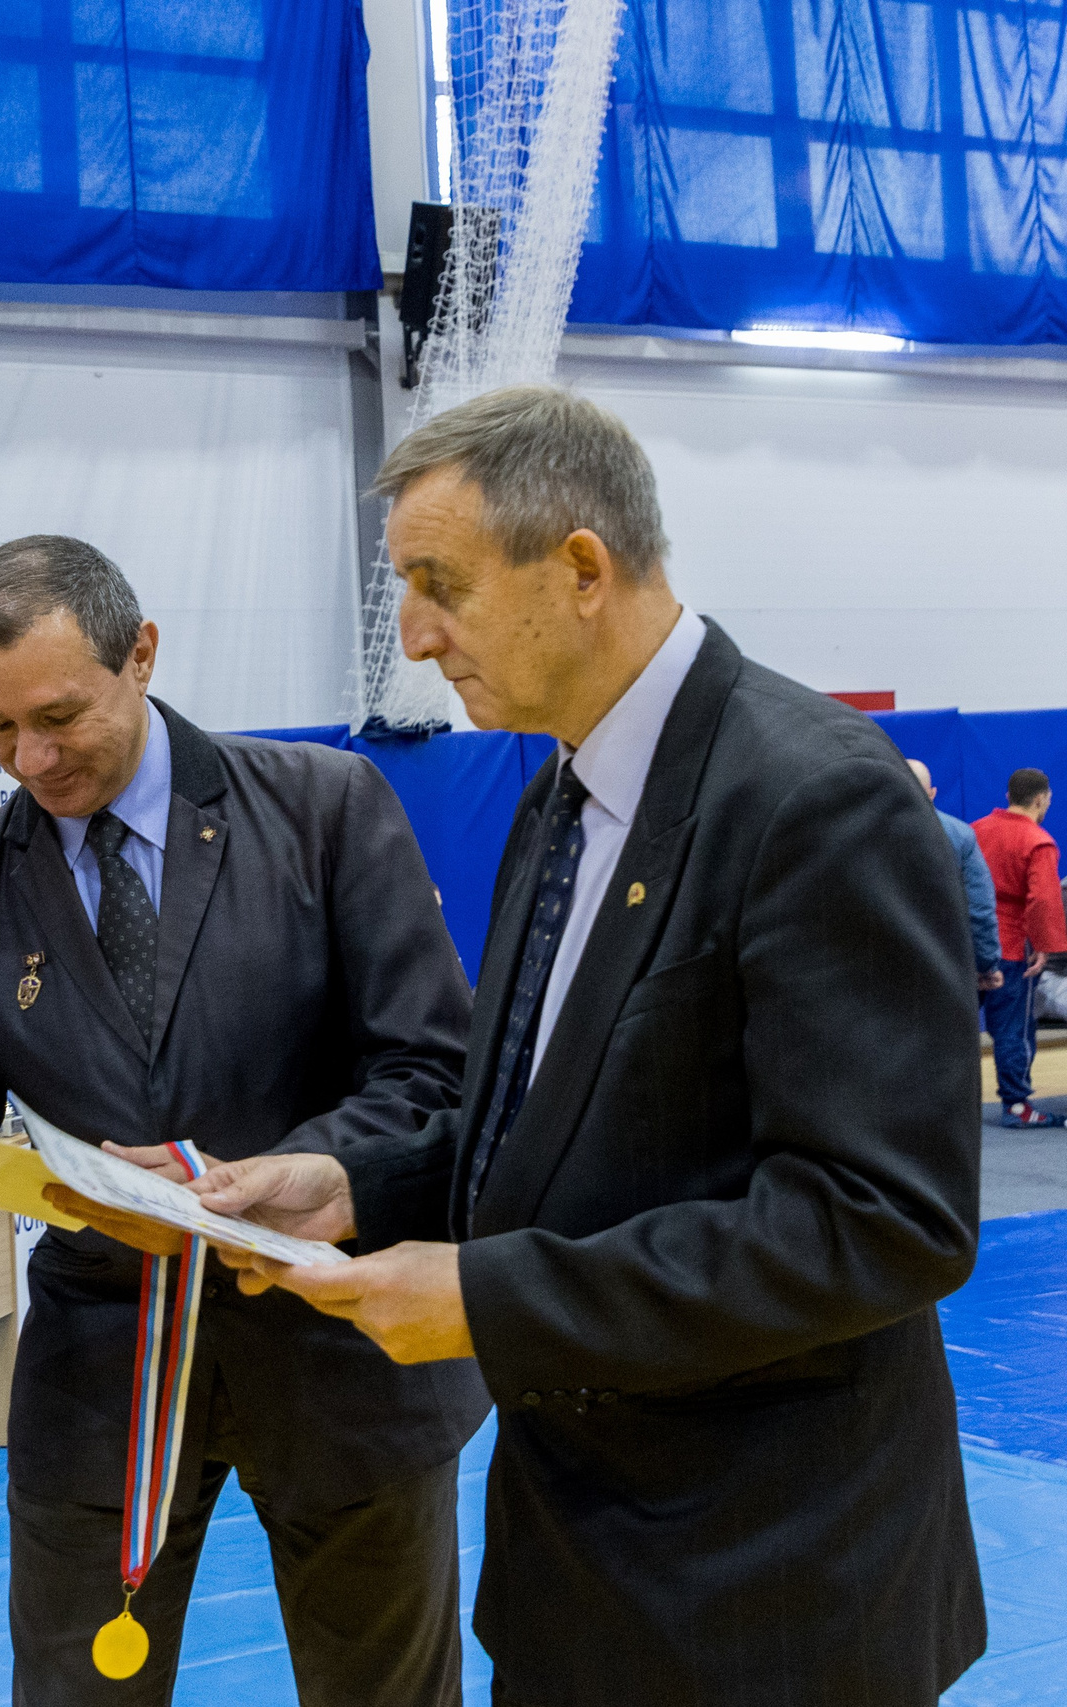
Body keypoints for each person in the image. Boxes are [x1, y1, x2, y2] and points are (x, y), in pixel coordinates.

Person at [165, 388, 983, 1707]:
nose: (417, 635)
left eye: (441, 585)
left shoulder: (812, 793)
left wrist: (496, 1298)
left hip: (768, 1591)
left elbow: (883, 1219)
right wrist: (359, 1184)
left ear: (583, 568)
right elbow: (553, 1125)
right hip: (583, 1566)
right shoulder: (558, 789)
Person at [0, 537, 485, 1707]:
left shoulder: (322, 810)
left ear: (141, 654)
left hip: (337, 1351)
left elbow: (430, 1074)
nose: (31, 759)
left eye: (58, 716)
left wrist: (300, 1170)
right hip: (101, 1375)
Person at [974, 768, 1064, 1128]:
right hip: (1012, 950)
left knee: (960, 1029)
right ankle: (1016, 1106)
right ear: (1041, 799)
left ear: (1008, 794)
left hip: (969, 946)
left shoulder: (976, 830)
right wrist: (1045, 946)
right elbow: (1043, 900)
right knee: (1012, 1029)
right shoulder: (1037, 841)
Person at [910, 759, 1002, 993]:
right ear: (932, 793)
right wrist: (986, 964)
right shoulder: (960, 836)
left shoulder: (861, 834)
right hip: (947, 966)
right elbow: (979, 909)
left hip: (882, 971)